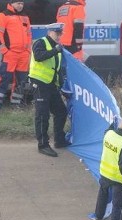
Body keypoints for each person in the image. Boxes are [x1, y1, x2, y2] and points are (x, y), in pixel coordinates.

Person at [29, 22, 70, 157]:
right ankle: (43, 145)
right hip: (40, 84)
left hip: (51, 85)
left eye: (60, 33)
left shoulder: (57, 47)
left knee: (61, 111)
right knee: (42, 115)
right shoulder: (40, 43)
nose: (59, 36)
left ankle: (59, 140)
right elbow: (39, 57)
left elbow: (56, 69)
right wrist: (55, 50)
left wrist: (62, 85)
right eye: (56, 33)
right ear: (49, 32)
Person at [0, 0, 32, 111]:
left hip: (23, 54)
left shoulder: (25, 16)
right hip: (10, 53)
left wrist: (28, 50)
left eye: (22, 3)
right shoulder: (3, 15)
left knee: (21, 80)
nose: (20, 5)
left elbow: (29, 34)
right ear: (11, 3)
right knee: (4, 78)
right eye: (18, 3)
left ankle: (16, 103)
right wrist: (5, 51)